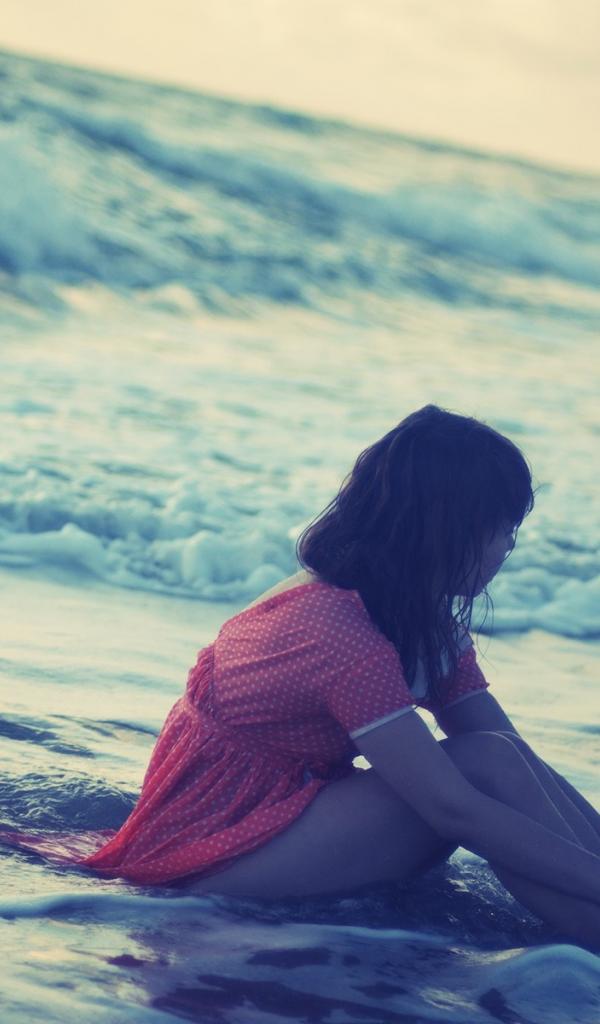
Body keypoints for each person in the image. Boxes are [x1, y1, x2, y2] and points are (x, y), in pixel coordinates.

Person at [4, 405, 600, 948]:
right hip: (211, 855)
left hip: (288, 820)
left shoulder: (414, 617)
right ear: (449, 529)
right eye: (502, 528)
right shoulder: (334, 630)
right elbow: (454, 810)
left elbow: (513, 755)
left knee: (494, 755)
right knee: (478, 770)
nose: (508, 547)